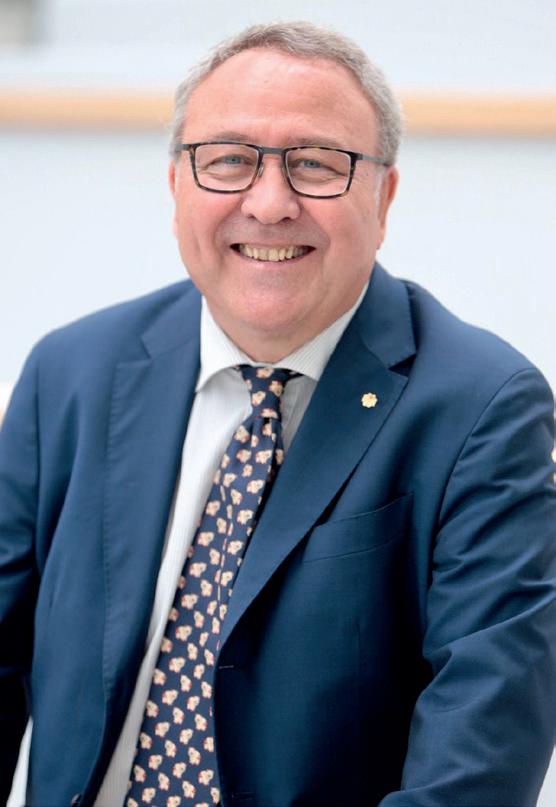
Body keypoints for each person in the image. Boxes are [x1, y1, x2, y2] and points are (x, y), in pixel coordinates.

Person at [0, 20, 555, 807]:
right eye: (229, 159)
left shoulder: (483, 411)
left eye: (316, 164)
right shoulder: (70, 374)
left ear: (383, 196)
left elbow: (479, 765)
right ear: (177, 186)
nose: (269, 203)